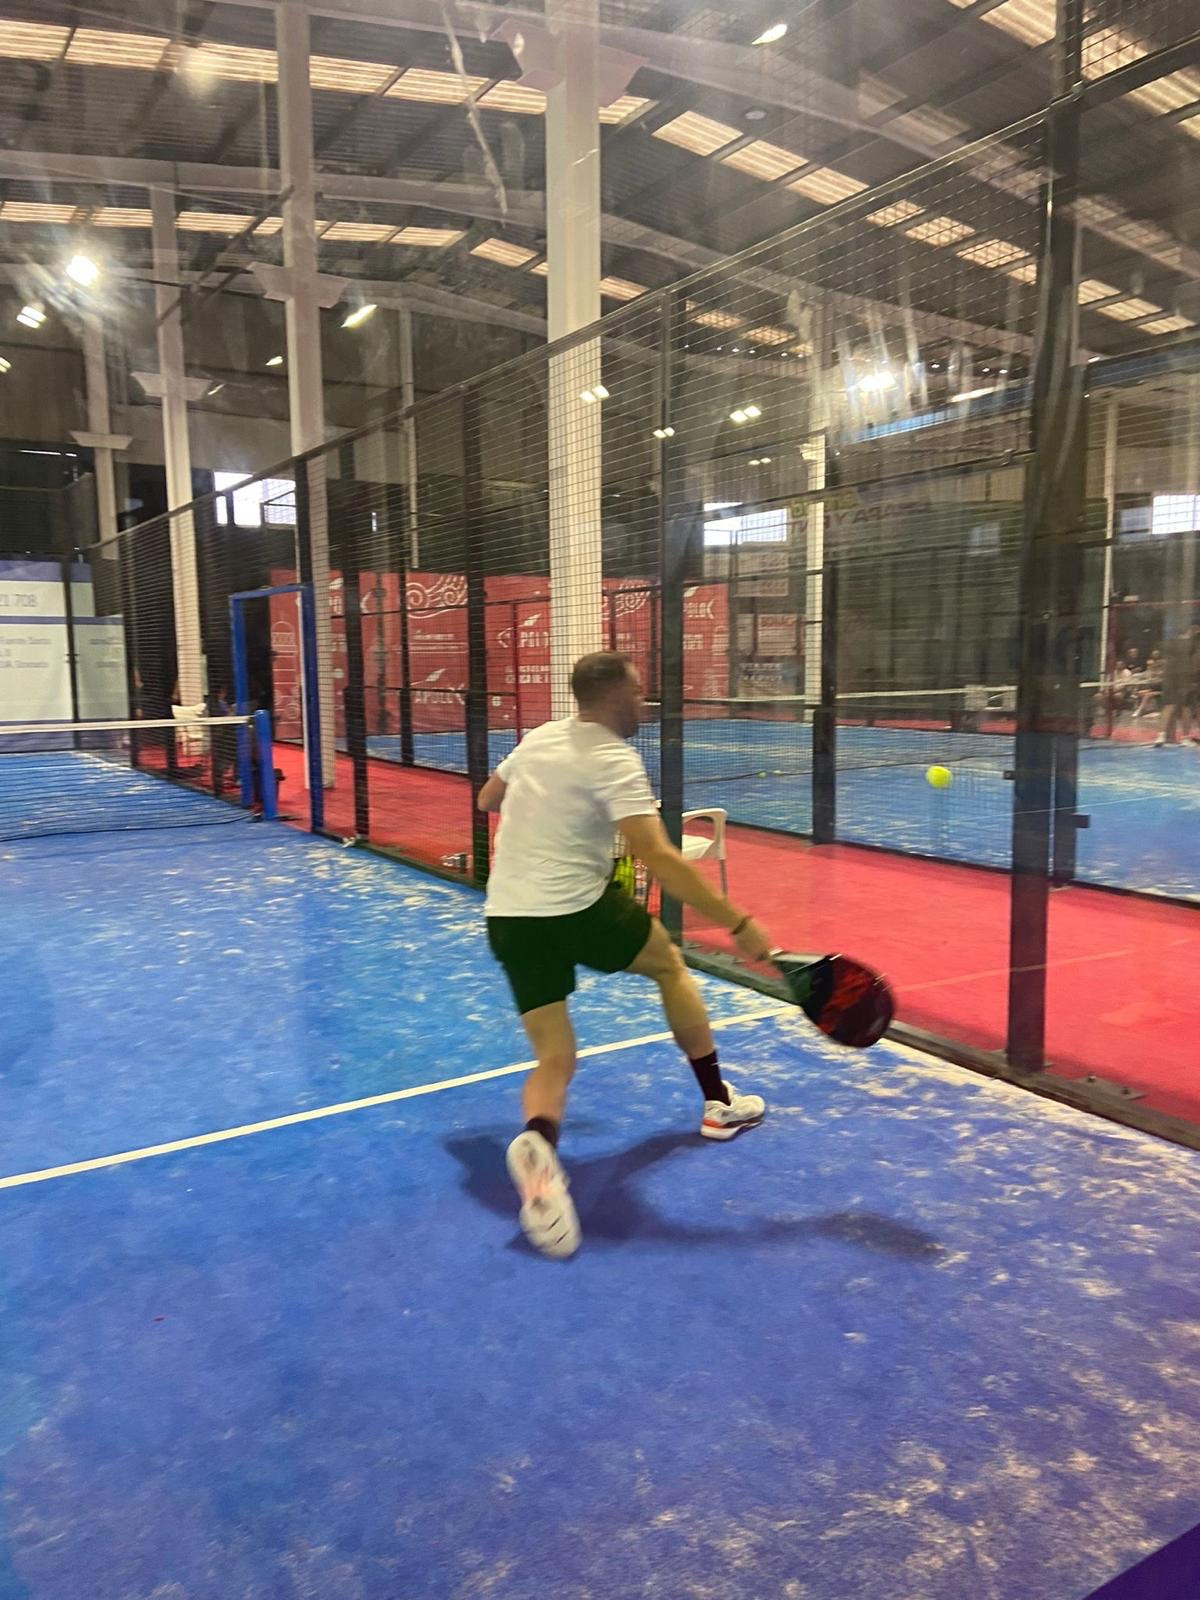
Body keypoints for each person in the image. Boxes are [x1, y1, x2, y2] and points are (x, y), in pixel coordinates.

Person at [479, 651, 774, 1259]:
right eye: (639, 692)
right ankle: (718, 1104)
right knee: (669, 965)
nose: (645, 702)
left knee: (555, 1058)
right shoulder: (615, 758)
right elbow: (659, 856)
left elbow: (488, 798)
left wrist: (549, 809)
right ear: (614, 696)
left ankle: (539, 1141)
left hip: (508, 916)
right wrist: (738, 922)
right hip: (576, 909)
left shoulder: (540, 738)